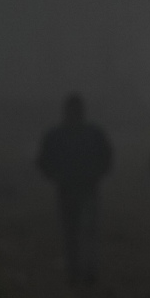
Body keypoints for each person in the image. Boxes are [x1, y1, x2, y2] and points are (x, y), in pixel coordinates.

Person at [36, 92, 113, 287]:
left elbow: (43, 162)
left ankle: (78, 271)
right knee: (83, 232)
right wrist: (97, 174)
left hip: (74, 189)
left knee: (75, 233)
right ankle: (85, 270)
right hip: (80, 189)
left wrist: (55, 176)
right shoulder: (92, 133)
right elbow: (107, 157)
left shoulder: (57, 134)